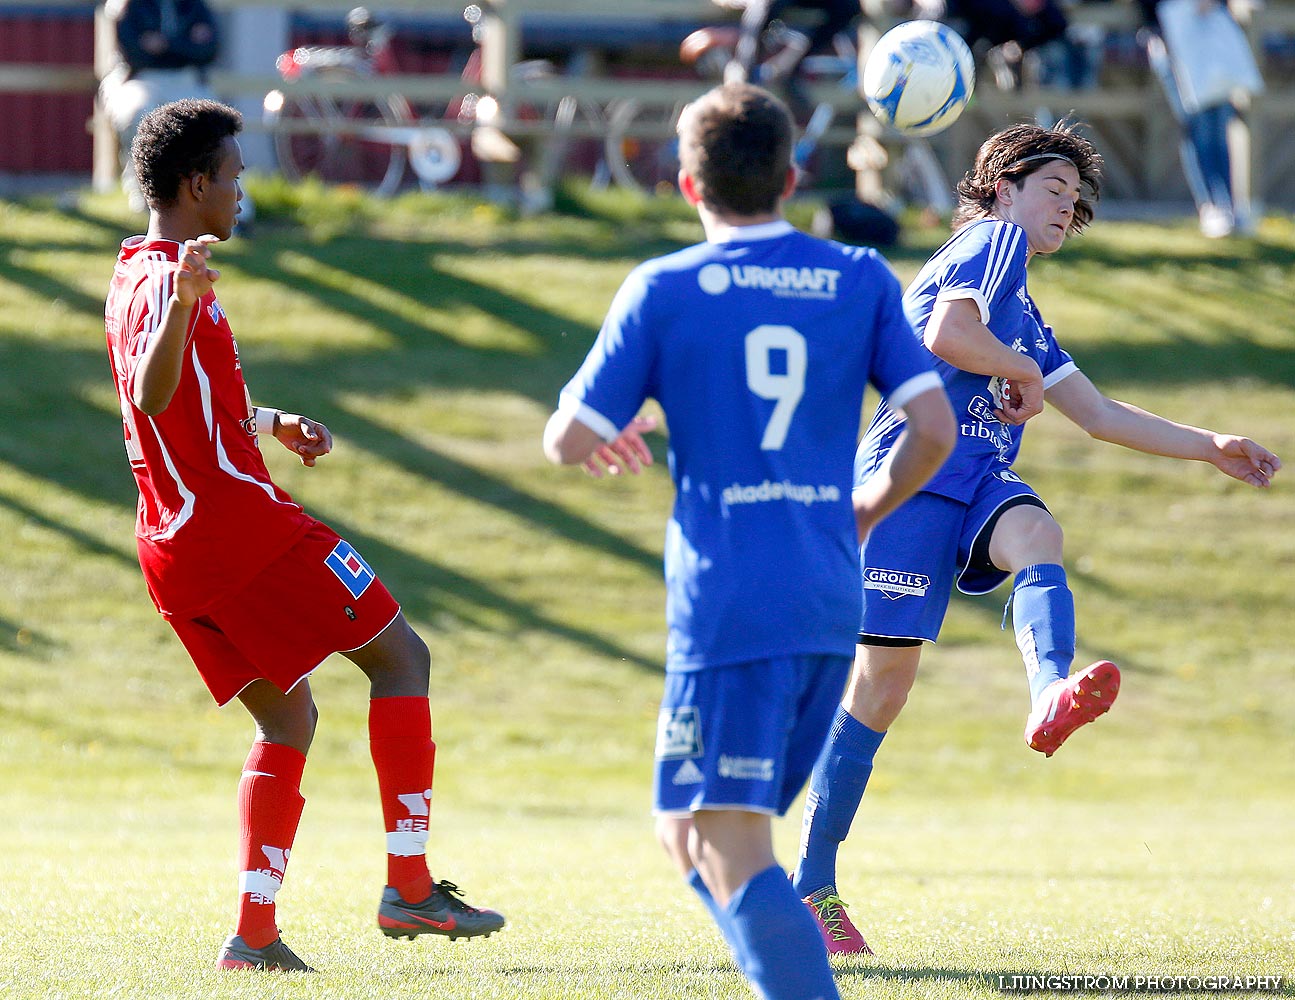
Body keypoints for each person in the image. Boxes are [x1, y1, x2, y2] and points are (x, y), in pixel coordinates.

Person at [790, 120, 1282, 955]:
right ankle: (811, 886)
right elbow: (946, 337)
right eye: (1051, 188)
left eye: (1075, 196)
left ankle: (1049, 693)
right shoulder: (988, 242)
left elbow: (1094, 414)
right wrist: (1014, 374)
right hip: (909, 479)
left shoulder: (1021, 310)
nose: (1066, 206)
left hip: (975, 479)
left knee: (1037, 534)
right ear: (1000, 189)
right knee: (879, 692)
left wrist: (1208, 446)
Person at [543, 82, 955, 999]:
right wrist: (864, 509)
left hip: (731, 600)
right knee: (685, 832)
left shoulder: (665, 288)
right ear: (791, 176)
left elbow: (565, 439)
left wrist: (632, 412)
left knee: (729, 839)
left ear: (686, 184)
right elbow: (932, 427)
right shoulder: (856, 276)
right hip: (824, 593)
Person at [103, 99, 504, 972]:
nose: (243, 190)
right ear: (196, 182)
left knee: (288, 719)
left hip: (175, 551)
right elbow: (150, 392)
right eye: (235, 176)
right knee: (403, 658)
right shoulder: (161, 282)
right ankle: (409, 888)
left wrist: (272, 419)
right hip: (240, 532)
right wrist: (178, 308)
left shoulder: (139, 268)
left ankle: (252, 939)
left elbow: (194, 408)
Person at [1137, 0, 1264, 237]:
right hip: (1171, 40)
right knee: (1198, 128)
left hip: (1210, 38)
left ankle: (1233, 205)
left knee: (1220, 127)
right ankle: (1211, 206)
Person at [98, 0, 227, 216]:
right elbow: (134, 52)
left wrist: (165, 44)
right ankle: (144, 192)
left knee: (216, 125)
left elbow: (210, 49)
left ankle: (221, 205)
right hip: (138, 77)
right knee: (137, 114)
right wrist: (186, 43)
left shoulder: (194, 5)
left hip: (187, 78)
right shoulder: (127, 5)